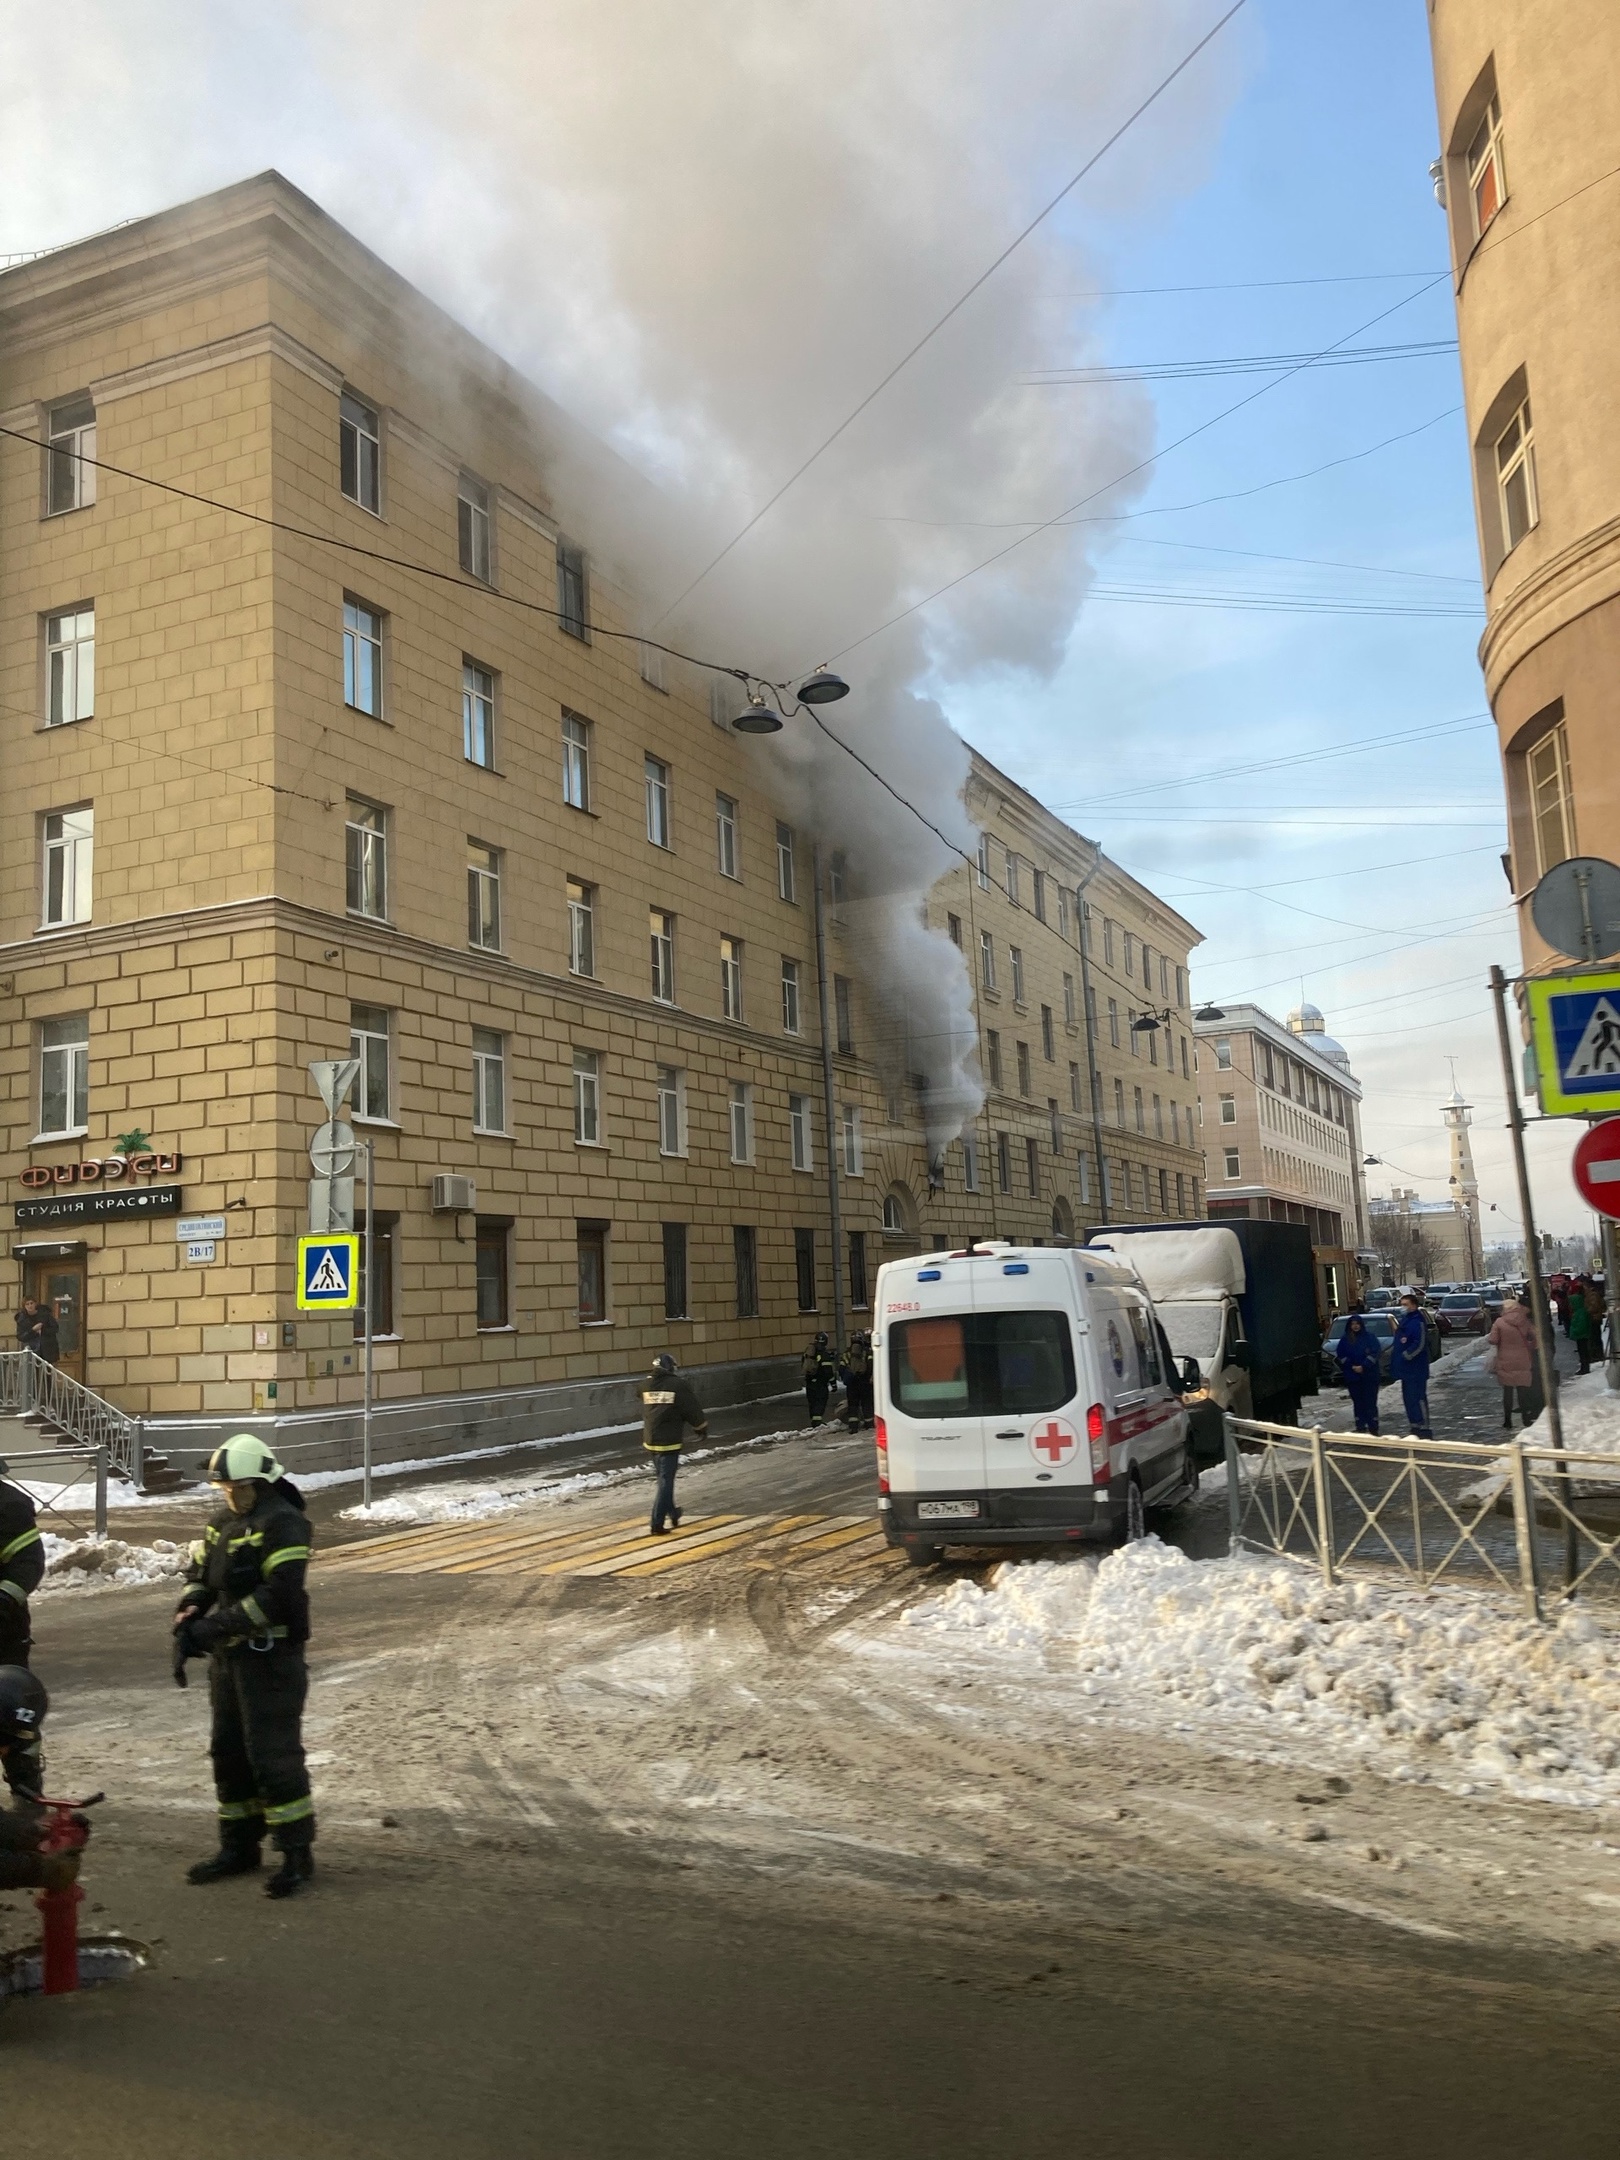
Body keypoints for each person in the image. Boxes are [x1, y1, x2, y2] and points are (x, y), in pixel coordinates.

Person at [172, 1435, 316, 1899]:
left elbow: (280, 1596)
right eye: (224, 1489)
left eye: (239, 1488)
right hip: (230, 1661)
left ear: (264, 1482)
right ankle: (238, 1847)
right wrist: (190, 1615)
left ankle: (296, 1853)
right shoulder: (221, 1524)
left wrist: (212, 1630)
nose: (231, 1496)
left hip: (271, 1660)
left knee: (273, 1755)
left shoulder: (285, 1524)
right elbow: (200, 1576)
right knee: (228, 1753)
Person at [0, 1669, 86, 1892]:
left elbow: (26, 1783)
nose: (5, 1749)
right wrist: (38, 1870)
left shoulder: (19, 1726)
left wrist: (33, 1832)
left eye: (13, 1742)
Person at [0, 1455, 44, 1806]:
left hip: (4, 1633)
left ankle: (27, 1794)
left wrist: (2, 1600)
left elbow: (28, 1563)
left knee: (15, 1713)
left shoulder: (10, 1506)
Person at [640, 1353, 708, 1536]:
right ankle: (656, 1523)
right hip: (669, 1441)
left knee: (663, 1480)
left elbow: (640, 1395)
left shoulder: (645, 1385)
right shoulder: (677, 1385)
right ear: (670, 1367)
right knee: (665, 1482)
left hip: (651, 1440)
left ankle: (673, 1513)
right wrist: (700, 1426)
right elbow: (690, 1408)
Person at [1488, 1290, 1542, 1430]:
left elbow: (1493, 1340)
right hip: (1524, 1358)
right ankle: (1525, 1418)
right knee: (1522, 1390)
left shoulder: (1499, 1322)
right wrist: (1530, 1346)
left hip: (1505, 1360)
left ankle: (1507, 1420)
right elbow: (1535, 1336)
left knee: (1508, 1391)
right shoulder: (1524, 1320)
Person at [1391, 1292, 1433, 1438]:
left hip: (1416, 1368)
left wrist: (1407, 1355)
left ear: (1413, 1306)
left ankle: (1424, 1427)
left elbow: (1420, 1343)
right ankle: (1414, 1425)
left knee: (1418, 1397)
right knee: (1408, 1398)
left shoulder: (1417, 1321)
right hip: (1406, 1370)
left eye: (1405, 1305)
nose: (1402, 1307)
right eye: (1401, 1305)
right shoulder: (1405, 1321)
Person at [1335, 1315, 1383, 1436]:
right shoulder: (1345, 1340)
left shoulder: (1370, 1338)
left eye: (1357, 1324)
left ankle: (1373, 1426)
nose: (1355, 1326)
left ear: (1361, 1325)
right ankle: (1360, 1425)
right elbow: (1341, 1356)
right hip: (1353, 1377)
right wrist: (1352, 1366)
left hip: (1369, 1376)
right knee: (1358, 1402)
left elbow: (1375, 1352)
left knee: (1370, 1401)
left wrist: (1364, 1366)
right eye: (1353, 1324)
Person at [802, 1333, 838, 1426]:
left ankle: (814, 1420)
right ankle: (817, 1422)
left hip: (810, 1382)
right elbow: (828, 1371)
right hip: (820, 1383)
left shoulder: (809, 1352)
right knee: (820, 1401)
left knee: (812, 1402)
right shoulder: (824, 1354)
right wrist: (833, 1383)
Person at [840, 1331, 874, 1430]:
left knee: (853, 1405)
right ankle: (869, 1424)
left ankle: (853, 1426)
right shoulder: (866, 1352)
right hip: (865, 1383)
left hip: (852, 1384)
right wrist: (869, 1378)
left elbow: (842, 1368)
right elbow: (871, 1366)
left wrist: (847, 1378)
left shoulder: (847, 1354)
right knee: (866, 1404)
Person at [13, 1295, 59, 1366]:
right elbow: (20, 1336)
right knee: (34, 1375)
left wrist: (42, 1330)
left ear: (35, 1304)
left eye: (31, 1303)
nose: (30, 1306)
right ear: (24, 1306)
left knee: (48, 1374)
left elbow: (55, 1328)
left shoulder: (45, 1315)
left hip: (48, 1351)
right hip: (32, 1353)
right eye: (27, 1304)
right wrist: (33, 1330)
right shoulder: (22, 1320)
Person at [1569, 1276, 1595, 1375]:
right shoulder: (1582, 1309)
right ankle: (1585, 1366)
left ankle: (1585, 1367)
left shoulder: (1578, 1312)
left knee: (1582, 1349)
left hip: (1581, 1333)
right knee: (1583, 1349)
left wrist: (1574, 1332)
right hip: (1583, 1331)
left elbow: (1579, 1326)